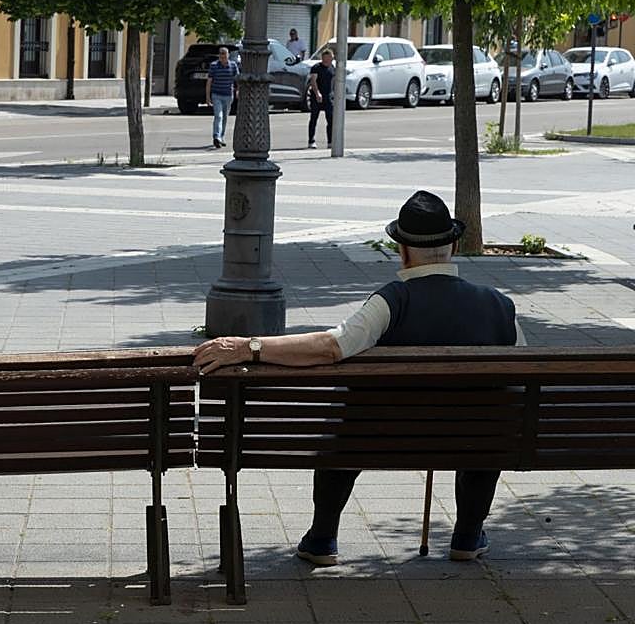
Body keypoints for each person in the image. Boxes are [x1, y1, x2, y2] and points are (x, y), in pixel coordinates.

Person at [194, 190, 525, 566]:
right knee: (488, 425)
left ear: (401, 249)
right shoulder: (500, 305)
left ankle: (322, 538)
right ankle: (467, 534)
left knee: (348, 428)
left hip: (382, 439)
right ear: (454, 243)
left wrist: (249, 347)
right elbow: (519, 375)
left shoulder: (392, 301)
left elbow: (331, 347)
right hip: (472, 440)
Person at [205, 46, 239, 149]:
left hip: (228, 95)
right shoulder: (214, 66)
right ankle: (217, 137)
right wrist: (207, 97)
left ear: (228, 55)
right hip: (217, 95)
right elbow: (209, 82)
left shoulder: (233, 65)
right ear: (219, 56)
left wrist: (238, 90)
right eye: (221, 54)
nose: (223, 57)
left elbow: (237, 79)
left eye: (225, 54)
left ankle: (222, 137)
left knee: (224, 117)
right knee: (218, 116)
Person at [307, 48, 336, 149]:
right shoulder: (316, 68)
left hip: (328, 97)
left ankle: (330, 142)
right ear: (323, 58)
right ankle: (311, 141)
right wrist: (317, 93)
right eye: (326, 59)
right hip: (317, 97)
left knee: (331, 119)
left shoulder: (332, 68)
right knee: (314, 118)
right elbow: (313, 81)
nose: (328, 61)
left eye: (330, 59)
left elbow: (334, 81)